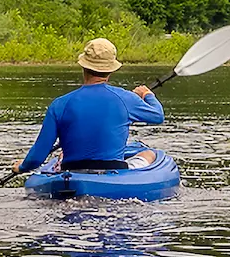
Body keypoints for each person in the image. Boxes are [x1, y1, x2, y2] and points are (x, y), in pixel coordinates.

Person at [13, 38, 164, 175]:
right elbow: (158, 116)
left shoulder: (60, 104)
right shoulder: (126, 98)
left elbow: (37, 156)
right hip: (114, 173)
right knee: (150, 154)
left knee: (61, 155)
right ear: (111, 69)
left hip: (71, 172)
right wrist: (147, 94)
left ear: (83, 66)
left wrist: (22, 167)